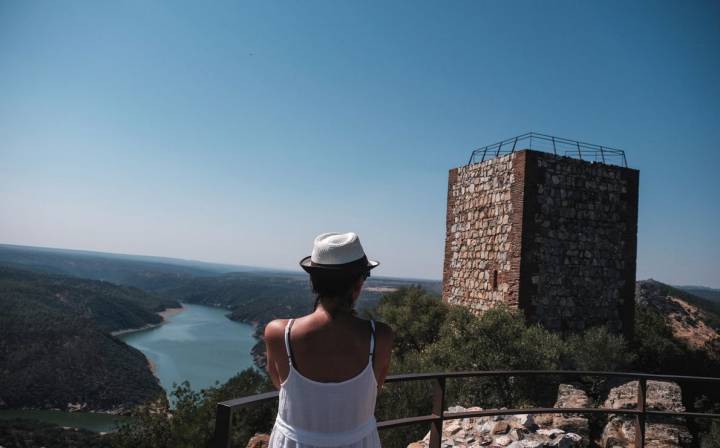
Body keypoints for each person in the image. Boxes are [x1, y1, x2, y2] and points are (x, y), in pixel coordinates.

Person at [264, 232, 394, 448]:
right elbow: (376, 387)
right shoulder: (380, 337)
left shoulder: (278, 334)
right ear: (358, 284)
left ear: (313, 282)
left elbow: (280, 383)